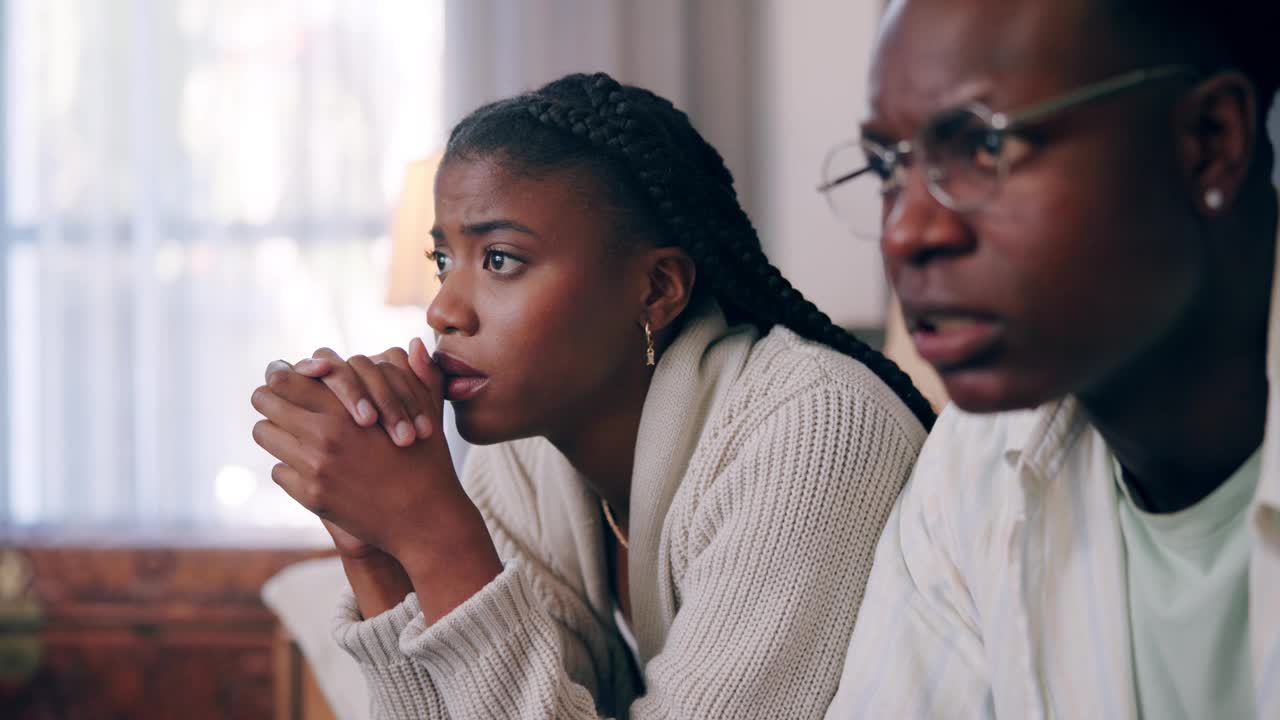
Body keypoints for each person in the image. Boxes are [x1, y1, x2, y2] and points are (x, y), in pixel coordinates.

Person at [251, 72, 933, 718]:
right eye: (443, 261)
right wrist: (376, 553)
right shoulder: (525, 460)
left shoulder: (815, 430)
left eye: (500, 260)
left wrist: (439, 539)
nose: (443, 309)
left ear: (658, 289)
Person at [823, 0, 1280, 717]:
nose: (905, 231)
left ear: (1208, 141)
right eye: (887, 167)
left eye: (985, 147)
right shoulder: (968, 471)